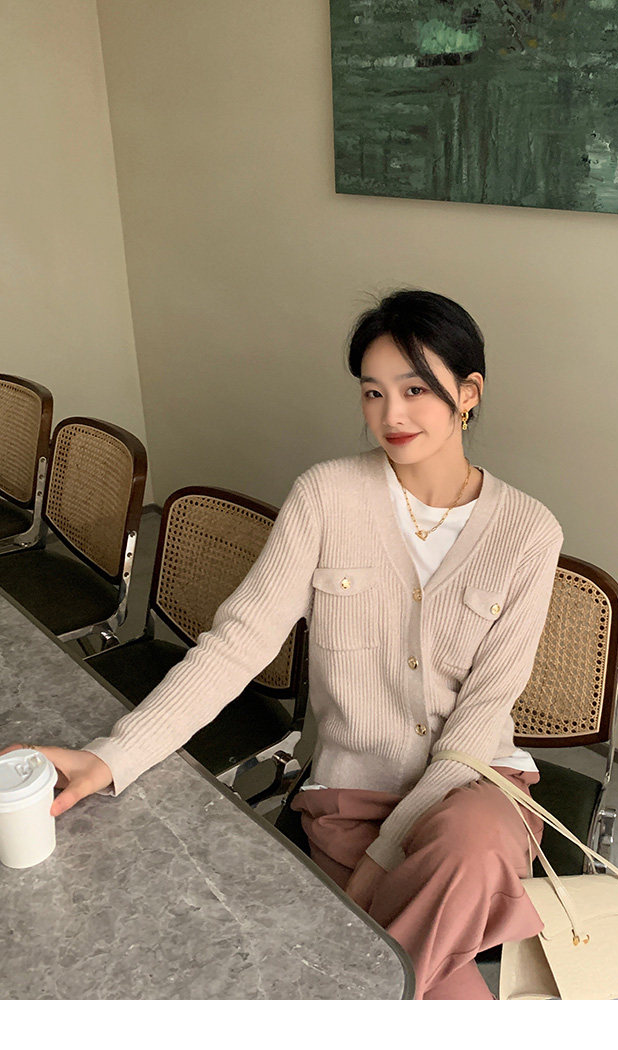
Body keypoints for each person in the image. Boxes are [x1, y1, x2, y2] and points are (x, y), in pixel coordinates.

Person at [3, 290, 562, 1000]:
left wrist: (383, 861)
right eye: (373, 392)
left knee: (472, 844)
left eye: (416, 389)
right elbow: (237, 645)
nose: (392, 414)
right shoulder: (326, 496)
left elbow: (487, 707)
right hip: (351, 797)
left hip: (474, 788)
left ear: (469, 392)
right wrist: (114, 755)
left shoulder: (529, 531)